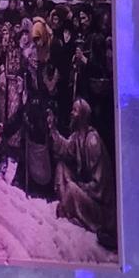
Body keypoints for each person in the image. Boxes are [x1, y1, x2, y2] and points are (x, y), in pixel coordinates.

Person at [48, 98, 116, 248]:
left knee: (72, 188)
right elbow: (64, 148)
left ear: (83, 115)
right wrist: (53, 129)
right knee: (61, 166)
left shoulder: (92, 141)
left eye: (75, 111)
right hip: (86, 192)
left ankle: (68, 209)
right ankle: (68, 206)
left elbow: (99, 186)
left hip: (100, 207)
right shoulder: (77, 136)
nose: (72, 114)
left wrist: (80, 187)